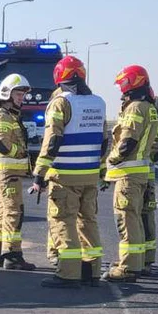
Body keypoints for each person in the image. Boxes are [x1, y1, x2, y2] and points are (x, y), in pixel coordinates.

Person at [31, 56, 108, 289]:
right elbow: (104, 141)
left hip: (64, 175)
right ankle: (92, 271)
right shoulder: (99, 102)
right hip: (90, 174)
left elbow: (52, 139)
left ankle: (68, 273)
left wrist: (39, 173)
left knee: (63, 221)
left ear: (59, 77)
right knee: (88, 221)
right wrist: (100, 169)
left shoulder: (60, 103)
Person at [101, 65, 158, 283]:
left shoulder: (135, 108)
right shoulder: (148, 107)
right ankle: (136, 263)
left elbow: (127, 142)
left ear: (134, 82)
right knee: (135, 218)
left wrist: (110, 161)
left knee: (127, 220)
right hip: (140, 174)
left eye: (124, 83)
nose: (121, 89)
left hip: (128, 175)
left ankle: (128, 267)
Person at [0, 73, 36, 270]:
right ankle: (13, 254)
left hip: (9, 173)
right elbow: (1, 144)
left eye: (23, 94)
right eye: (18, 93)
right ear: (7, 93)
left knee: (3, 212)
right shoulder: (2, 115)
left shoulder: (11, 116)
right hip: (8, 174)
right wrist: (21, 152)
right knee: (14, 212)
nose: (21, 97)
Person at [141, 87, 158, 276]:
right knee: (145, 216)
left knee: (137, 216)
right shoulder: (153, 114)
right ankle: (146, 259)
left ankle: (140, 260)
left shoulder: (142, 112)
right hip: (146, 175)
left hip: (138, 176)